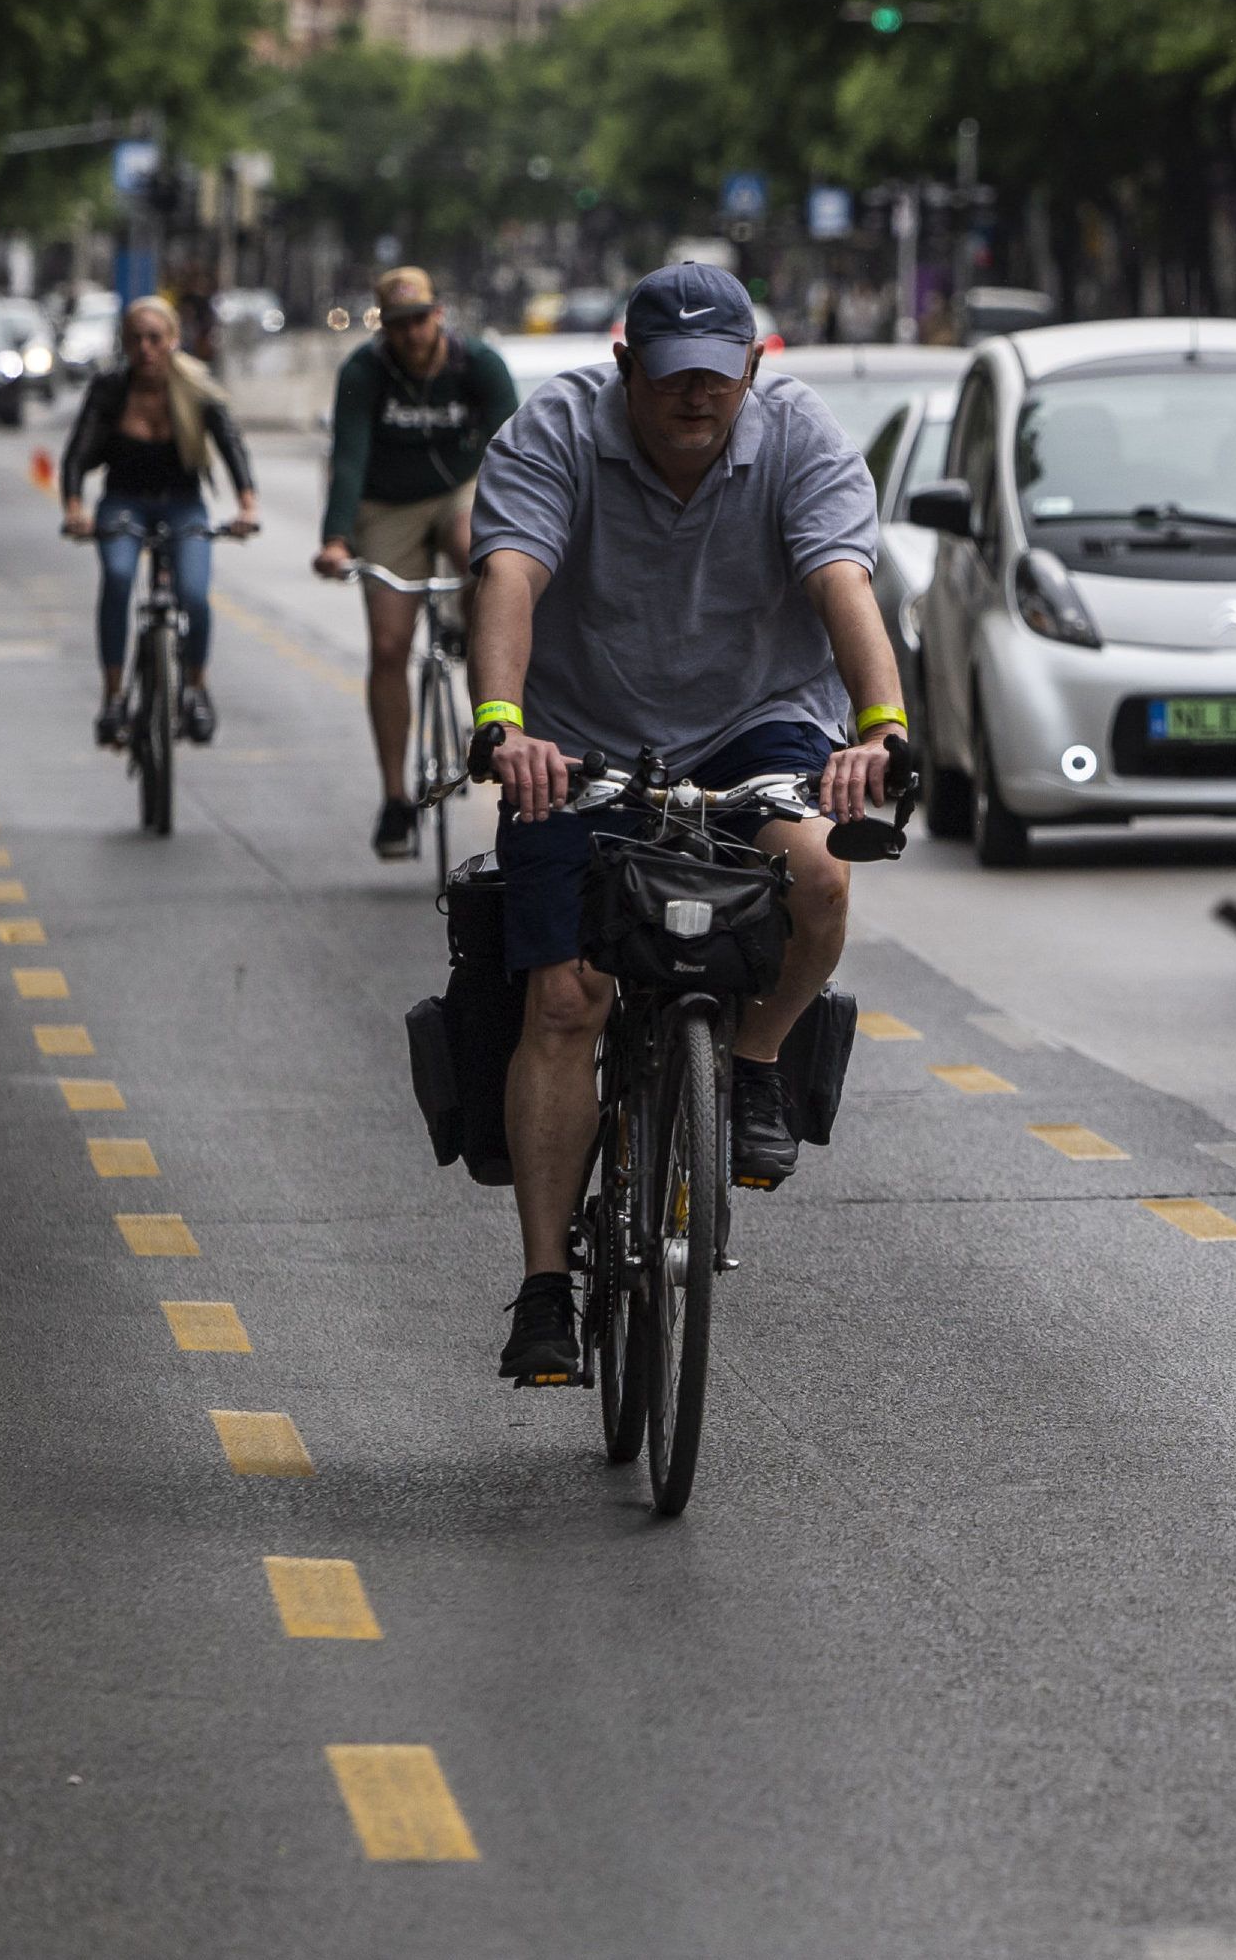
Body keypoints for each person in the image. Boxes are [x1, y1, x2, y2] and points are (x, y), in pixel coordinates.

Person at [464, 262, 906, 1386]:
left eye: (718, 377)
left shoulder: (801, 438)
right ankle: (545, 1287)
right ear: (626, 370)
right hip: (576, 739)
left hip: (755, 724)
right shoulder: (556, 427)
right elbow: (510, 571)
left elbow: (842, 580)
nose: (695, 399)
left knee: (821, 878)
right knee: (566, 999)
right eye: (671, 379)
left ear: (754, 370)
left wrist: (882, 728)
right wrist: (504, 723)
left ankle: (753, 1063)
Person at [314, 267, 521, 858]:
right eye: (398, 326)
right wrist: (335, 538)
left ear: (440, 316)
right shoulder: (365, 371)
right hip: (386, 504)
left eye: (421, 320)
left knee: (482, 554)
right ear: (385, 330)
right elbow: (348, 457)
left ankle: (471, 638)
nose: (411, 335)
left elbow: (517, 447)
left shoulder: (477, 364)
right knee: (387, 645)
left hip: (460, 488)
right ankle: (395, 799)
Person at [58, 296, 262, 745]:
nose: (146, 348)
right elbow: (76, 455)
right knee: (117, 575)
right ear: (125, 345)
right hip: (124, 504)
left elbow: (231, 445)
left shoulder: (196, 387)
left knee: (193, 593)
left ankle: (195, 688)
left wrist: (247, 505)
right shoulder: (110, 389)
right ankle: (113, 697)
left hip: (183, 505)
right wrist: (75, 509)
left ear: (173, 341)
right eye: (135, 340)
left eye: (155, 338)